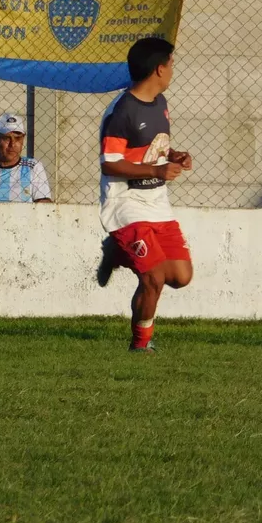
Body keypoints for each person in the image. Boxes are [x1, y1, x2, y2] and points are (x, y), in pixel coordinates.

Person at [94, 37, 194, 353]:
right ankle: (140, 346)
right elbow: (110, 164)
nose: (173, 70)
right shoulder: (121, 111)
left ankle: (117, 252)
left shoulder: (160, 103)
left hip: (157, 203)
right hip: (125, 204)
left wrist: (173, 155)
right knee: (154, 277)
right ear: (159, 69)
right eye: (172, 64)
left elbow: (152, 148)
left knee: (180, 275)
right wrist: (156, 172)